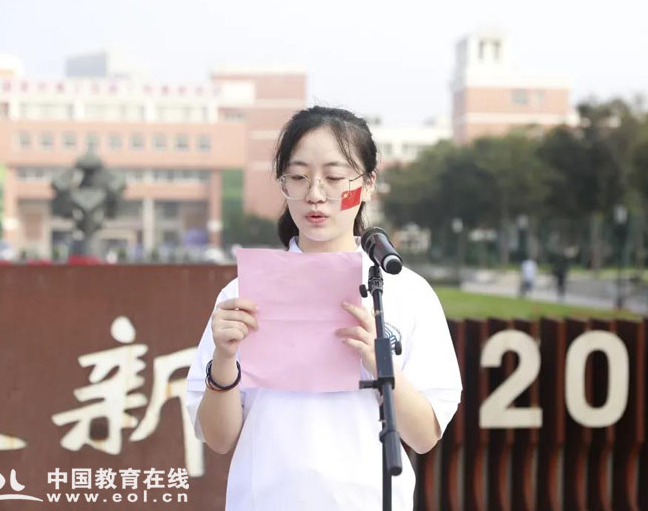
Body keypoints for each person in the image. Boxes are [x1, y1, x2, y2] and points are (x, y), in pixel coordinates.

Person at [186, 106, 462, 510]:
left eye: (334, 178)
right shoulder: (242, 294)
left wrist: (379, 361)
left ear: (367, 184)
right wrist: (225, 359)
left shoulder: (405, 292)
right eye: (298, 177)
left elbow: (424, 436)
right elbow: (219, 438)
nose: (315, 194)